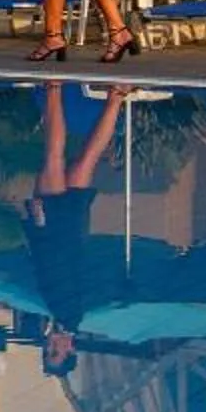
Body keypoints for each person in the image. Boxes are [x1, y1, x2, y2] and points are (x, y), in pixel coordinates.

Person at [26, 83, 133, 378]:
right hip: (57, 228)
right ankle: (53, 88)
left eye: (47, 351)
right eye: (56, 351)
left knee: (86, 159)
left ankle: (115, 98)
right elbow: (50, 264)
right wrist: (39, 223)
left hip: (74, 230)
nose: (50, 345)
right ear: (70, 348)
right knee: (54, 156)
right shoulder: (63, 310)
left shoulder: (76, 313)